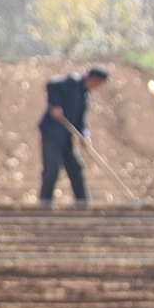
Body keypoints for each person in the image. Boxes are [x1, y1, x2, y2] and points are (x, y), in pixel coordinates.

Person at [38, 64, 109, 208]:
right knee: (52, 169)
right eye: (99, 84)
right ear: (94, 80)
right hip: (52, 133)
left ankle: (82, 204)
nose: (99, 87)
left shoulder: (85, 96)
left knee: (75, 168)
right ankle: (45, 205)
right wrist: (56, 105)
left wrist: (84, 136)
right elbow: (51, 84)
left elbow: (81, 121)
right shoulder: (73, 82)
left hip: (67, 137)